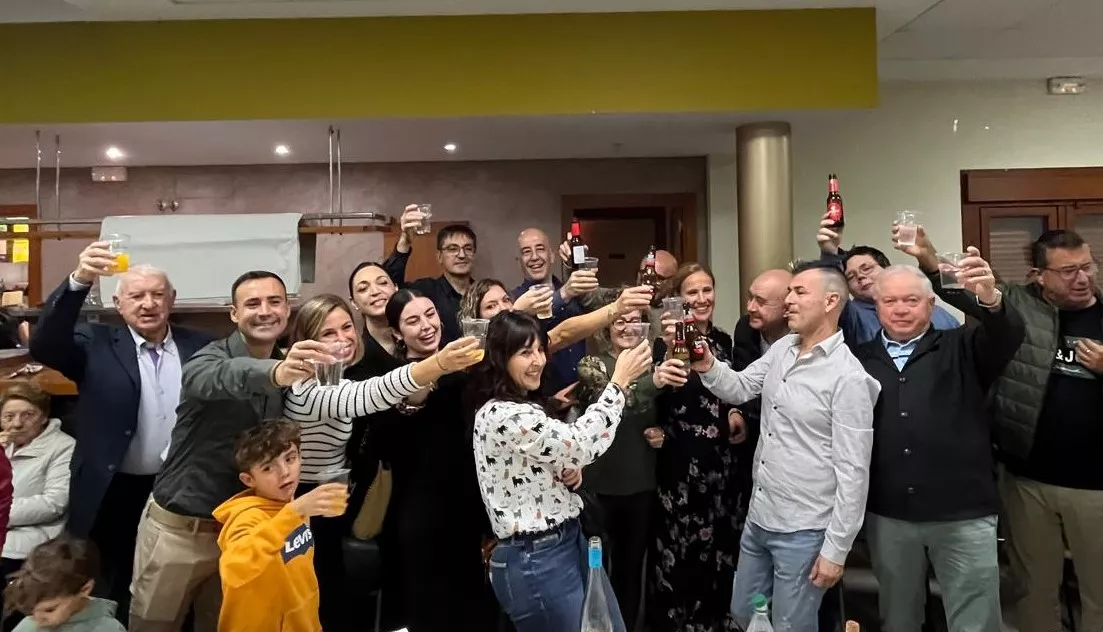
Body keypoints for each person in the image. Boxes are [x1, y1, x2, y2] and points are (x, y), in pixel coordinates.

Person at [128, 271, 477, 631]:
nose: (265, 311)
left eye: (275, 301)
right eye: (252, 303)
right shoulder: (224, 361)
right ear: (233, 313)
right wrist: (436, 365)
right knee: (153, 624)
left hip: (252, 521)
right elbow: (210, 378)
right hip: (185, 524)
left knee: (229, 623)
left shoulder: (312, 370)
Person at [897, 227, 1103, 632]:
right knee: (1033, 587)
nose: (1082, 278)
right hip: (1027, 477)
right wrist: (926, 254)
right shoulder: (1017, 305)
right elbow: (960, 289)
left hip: (1096, 484)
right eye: (1068, 271)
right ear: (1038, 275)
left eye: (1087, 266)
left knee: (1099, 588)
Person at [659, 261, 880, 630]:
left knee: (791, 624)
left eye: (799, 293)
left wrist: (836, 550)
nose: (788, 300)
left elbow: (855, 473)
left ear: (830, 301)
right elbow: (739, 387)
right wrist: (705, 360)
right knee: (744, 614)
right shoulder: (783, 350)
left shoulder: (849, 378)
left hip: (805, 528)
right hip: (761, 516)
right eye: (789, 292)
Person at [28, 243, 210, 621]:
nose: (148, 303)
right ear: (117, 301)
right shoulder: (94, 343)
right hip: (112, 489)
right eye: (137, 295)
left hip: (176, 489)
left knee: (170, 583)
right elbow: (45, 345)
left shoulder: (202, 346)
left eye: (157, 294)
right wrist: (79, 280)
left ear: (172, 299)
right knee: (107, 580)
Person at [281, 292, 481, 631]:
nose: (342, 338)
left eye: (346, 327)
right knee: (310, 600)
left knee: (333, 595)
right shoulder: (306, 388)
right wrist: (439, 364)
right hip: (300, 500)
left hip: (330, 499)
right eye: (328, 333)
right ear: (306, 341)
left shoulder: (337, 377)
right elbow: (370, 395)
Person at [854, 260, 1021, 632]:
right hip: (890, 513)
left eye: (911, 300)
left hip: (962, 513)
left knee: (975, 620)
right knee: (899, 619)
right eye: (890, 301)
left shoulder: (962, 346)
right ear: (875, 306)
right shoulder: (857, 358)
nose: (900, 309)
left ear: (931, 306)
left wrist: (991, 300)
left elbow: (1008, 333)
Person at [470, 310, 653, 632]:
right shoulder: (501, 414)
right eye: (525, 353)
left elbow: (552, 458)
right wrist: (619, 383)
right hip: (535, 558)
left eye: (540, 350)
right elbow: (580, 443)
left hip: (565, 541)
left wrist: (567, 471)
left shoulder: (526, 406)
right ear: (500, 358)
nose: (538, 360)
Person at [645, 263, 748, 632]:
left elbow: (732, 389)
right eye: (692, 292)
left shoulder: (723, 341)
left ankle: (715, 622)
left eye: (707, 290)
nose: (702, 299)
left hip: (722, 461)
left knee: (721, 547)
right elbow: (649, 399)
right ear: (678, 299)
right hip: (680, 462)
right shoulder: (661, 343)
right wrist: (654, 428)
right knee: (679, 551)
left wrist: (736, 411)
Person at [572, 307, 661, 631]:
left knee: (630, 569)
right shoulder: (592, 366)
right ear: (605, 328)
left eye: (634, 320)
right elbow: (615, 400)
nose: (626, 327)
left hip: (641, 483)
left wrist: (663, 431)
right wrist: (655, 381)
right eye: (618, 321)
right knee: (594, 569)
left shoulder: (658, 362)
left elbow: (667, 412)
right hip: (599, 486)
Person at [214, 420, 348, 632]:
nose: (285, 472)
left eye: (290, 458)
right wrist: (293, 513)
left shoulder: (295, 506)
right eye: (268, 468)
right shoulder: (246, 518)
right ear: (249, 480)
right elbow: (234, 569)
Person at [815, 212, 959, 343]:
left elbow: (954, 293)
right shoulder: (853, 316)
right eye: (851, 276)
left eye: (867, 268)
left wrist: (927, 254)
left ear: (887, 269)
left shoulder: (936, 311)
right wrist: (829, 253)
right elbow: (833, 294)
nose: (860, 277)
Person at [0, 385, 75, 578]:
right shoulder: (3, 446)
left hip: (30, 543)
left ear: (43, 417)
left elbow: (54, 503)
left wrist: (3, 512)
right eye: (9, 417)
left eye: (27, 415)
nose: (16, 424)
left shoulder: (63, 447)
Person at [515, 228, 601, 389]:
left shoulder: (575, 291)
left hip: (581, 396)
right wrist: (564, 294)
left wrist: (576, 265)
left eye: (540, 249)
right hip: (543, 400)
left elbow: (598, 308)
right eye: (526, 252)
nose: (534, 257)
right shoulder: (514, 300)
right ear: (519, 260)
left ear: (552, 255)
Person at [383, 205, 477, 342]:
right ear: (439, 256)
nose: (462, 255)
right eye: (452, 249)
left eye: (468, 248)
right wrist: (404, 241)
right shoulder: (425, 291)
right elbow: (389, 286)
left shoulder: (484, 293)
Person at [3, 537, 124, 632]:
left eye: (50, 610)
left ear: (85, 589)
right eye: (30, 611)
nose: (37, 620)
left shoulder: (109, 628)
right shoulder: (28, 626)